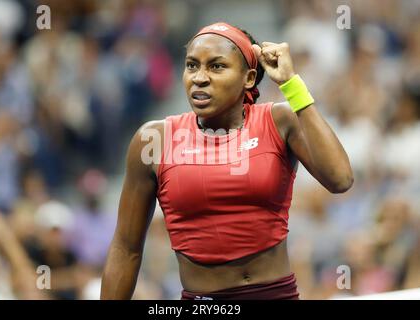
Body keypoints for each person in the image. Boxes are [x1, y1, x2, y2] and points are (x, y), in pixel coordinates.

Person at [100, 22, 353, 300]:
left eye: (217, 66)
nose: (200, 77)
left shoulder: (280, 120)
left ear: (248, 78)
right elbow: (126, 248)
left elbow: (340, 179)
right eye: (192, 65)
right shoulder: (153, 138)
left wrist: (291, 84)